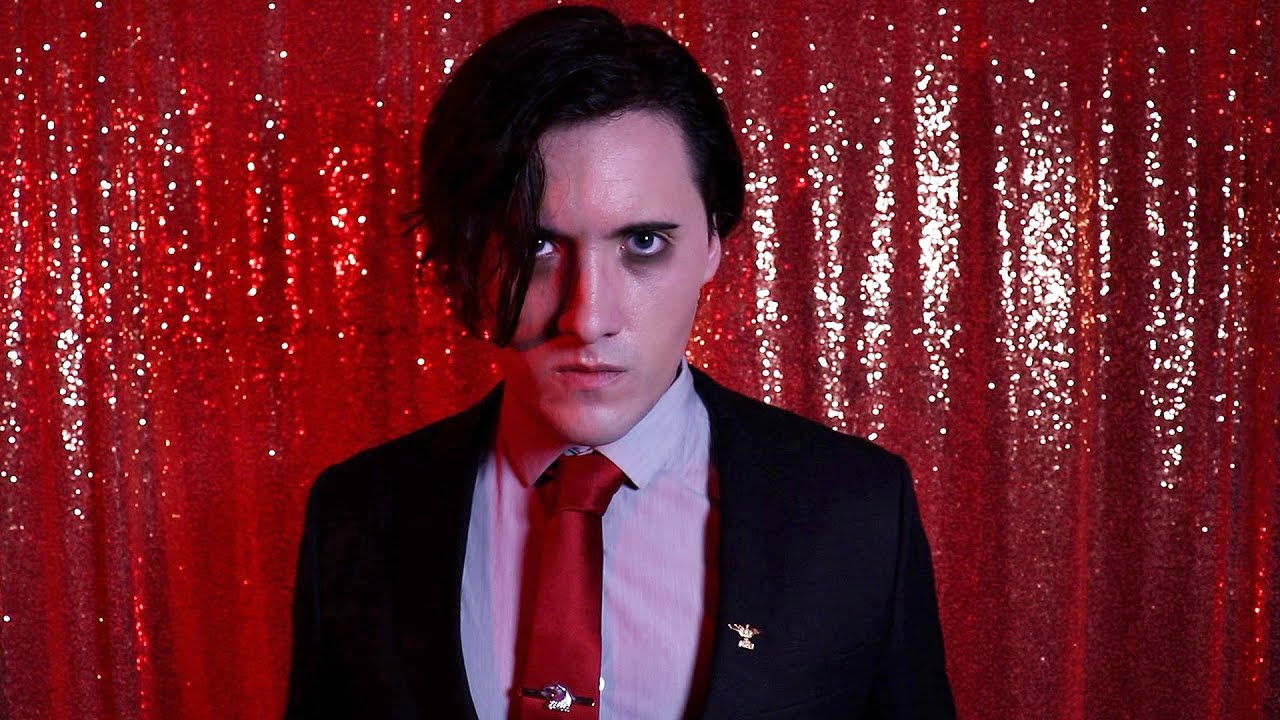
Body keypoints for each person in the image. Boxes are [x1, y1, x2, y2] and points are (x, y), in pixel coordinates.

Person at [284, 5, 955, 719]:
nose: (587, 317)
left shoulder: (857, 510)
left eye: (642, 243)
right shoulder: (357, 516)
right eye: (536, 246)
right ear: (467, 256)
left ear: (712, 244)